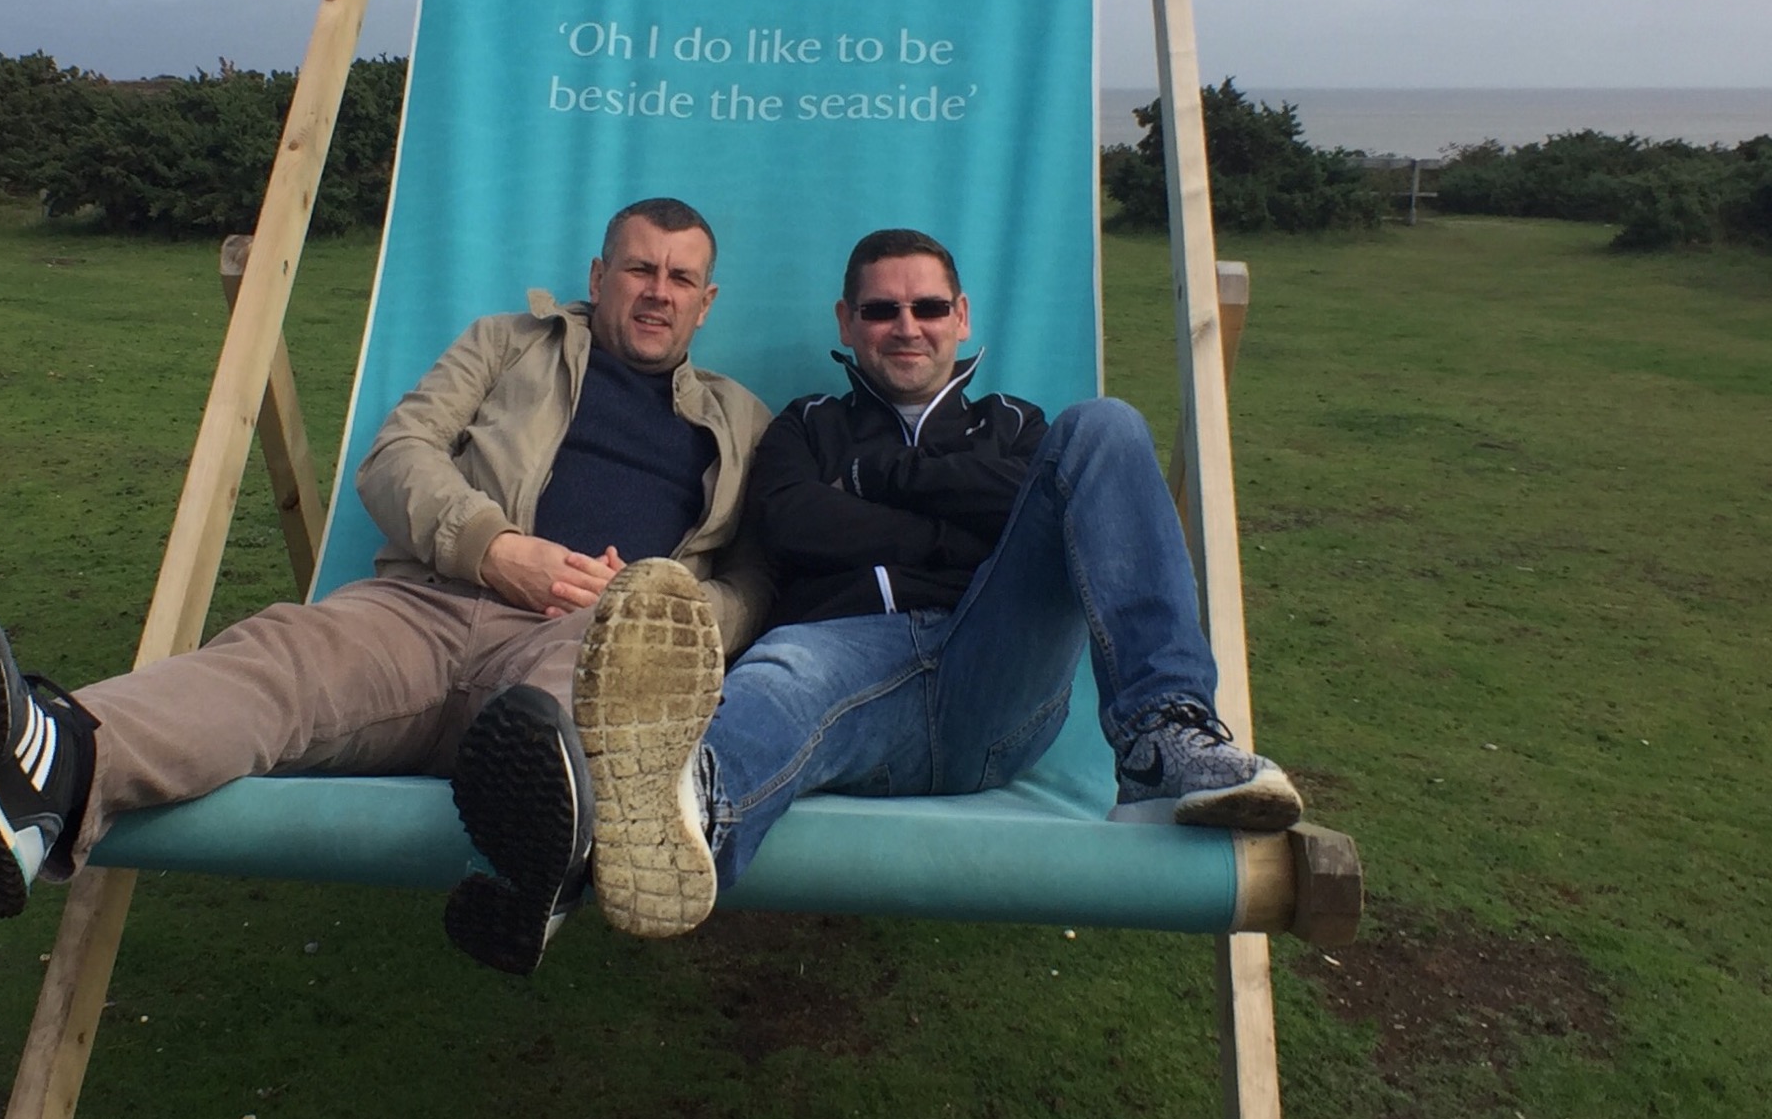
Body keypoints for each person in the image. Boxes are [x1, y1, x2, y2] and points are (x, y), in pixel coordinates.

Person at [0, 198, 772, 975]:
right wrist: (495, 548)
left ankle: (533, 862)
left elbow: (759, 575)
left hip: (591, 636)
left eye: (680, 278)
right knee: (282, 659)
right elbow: (397, 456)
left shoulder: (740, 421)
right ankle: (39, 777)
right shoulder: (506, 344)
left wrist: (660, 618)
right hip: (425, 606)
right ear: (599, 275)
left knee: (572, 703)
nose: (657, 291)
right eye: (639, 268)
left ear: (707, 303)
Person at [499, 225, 1302, 948]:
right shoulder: (803, 425)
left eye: (928, 307)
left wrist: (870, 479)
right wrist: (959, 531)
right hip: (844, 675)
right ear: (847, 323)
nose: (906, 326)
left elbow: (1033, 515)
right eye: (881, 311)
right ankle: (678, 822)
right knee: (785, 675)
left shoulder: (1020, 427)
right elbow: (793, 524)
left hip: (997, 670)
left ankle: (1162, 738)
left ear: (962, 317)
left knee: (1108, 425)